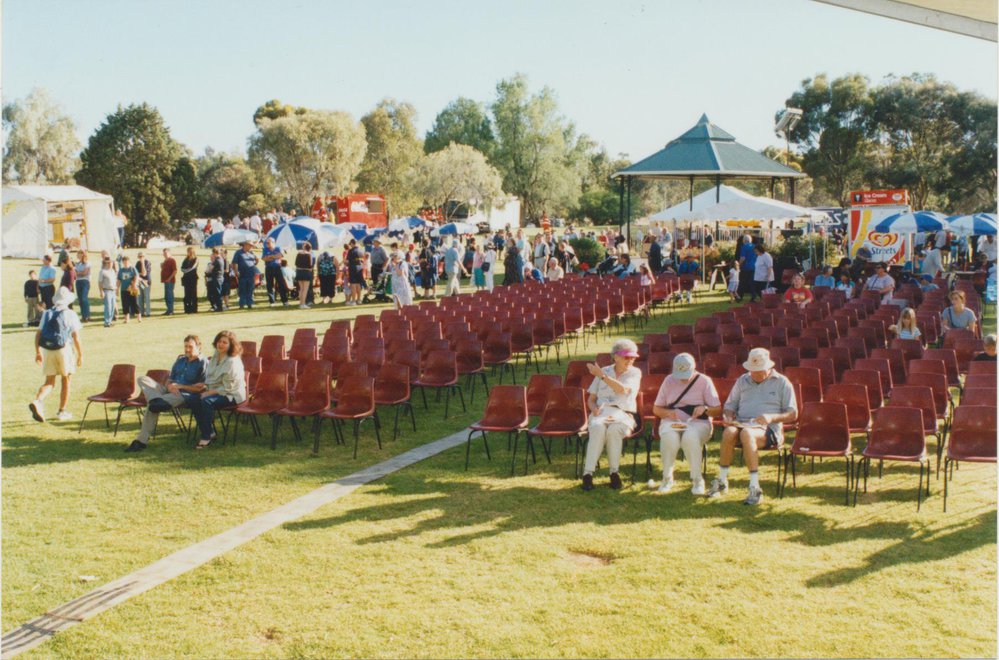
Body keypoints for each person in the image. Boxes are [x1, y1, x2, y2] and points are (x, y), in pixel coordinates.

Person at [708, 348, 798, 505]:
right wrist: (728, 416)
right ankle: (722, 480)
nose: (754, 373)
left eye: (758, 370)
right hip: (742, 424)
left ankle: (754, 487)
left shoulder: (782, 382)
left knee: (747, 434)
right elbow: (730, 405)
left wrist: (772, 417)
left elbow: (793, 414)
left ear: (768, 367)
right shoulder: (742, 380)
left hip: (769, 430)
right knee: (729, 431)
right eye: (752, 370)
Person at [124, 335, 208, 452]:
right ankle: (156, 399)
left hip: (183, 394)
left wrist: (180, 386)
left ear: (199, 347)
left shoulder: (203, 363)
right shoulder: (180, 361)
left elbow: (201, 388)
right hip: (168, 390)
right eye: (185, 346)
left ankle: (141, 441)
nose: (187, 349)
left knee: (152, 407)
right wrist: (169, 386)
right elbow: (170, 379)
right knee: (142, 379)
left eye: (190, 347)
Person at [653, 353, 722, 495]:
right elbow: (656, 409)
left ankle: (697, 480)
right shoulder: (668, 380)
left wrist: (705, 408)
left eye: (686, 374)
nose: (683, 379)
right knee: (669, 438)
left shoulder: (704, 381)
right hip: (673, 422)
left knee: (690, 437)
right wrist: (667, 413)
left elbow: (717, 410)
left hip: (698, 423)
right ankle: (667, 478)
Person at [580, 339, 642, 491]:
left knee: (614, 430)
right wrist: (593, 408)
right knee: (597, 427)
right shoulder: (605, 371)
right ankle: (588, 474)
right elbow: (591, 399)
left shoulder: (634, 372)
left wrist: (602, 376)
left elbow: (623, 390)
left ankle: (614, 472)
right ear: (616, 357)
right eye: (627, 357)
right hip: (602, 411)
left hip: (623, 413)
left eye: (633, 357)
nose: (631, 360)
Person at [29, 287, 83, 423]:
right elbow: (76, 337)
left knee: (49, 382)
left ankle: (38, 400)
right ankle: (62, 411)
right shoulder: (70, 314)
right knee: (66, 380)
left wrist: (37, 352)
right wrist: (80, 354)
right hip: (64, 349)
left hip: (48, 349)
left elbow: (38, 334)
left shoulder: (47, 313)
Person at [190, 330, 246, 449]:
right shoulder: (215, 356)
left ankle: (205, 437)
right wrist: (204, 385)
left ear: (231, 345)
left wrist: (209, 392)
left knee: (206, 401)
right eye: (219, 341)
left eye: (225, 342)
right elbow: (212, 378)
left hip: (232, 395)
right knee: (192, 399)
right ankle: (210, 431)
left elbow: (229, 387)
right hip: (216, 391)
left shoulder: (232, 361)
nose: (220, 344)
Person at [261, 237, 288, 306]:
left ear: (273, 243)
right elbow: (264, 258)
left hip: (277, 268)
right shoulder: (265, 249)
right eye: (266, 243)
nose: (267, 244)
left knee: (281, 284)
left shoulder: (278, 248)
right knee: (270, 285)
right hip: (268, 268)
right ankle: (272, 301)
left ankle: (284, 301)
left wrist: (270, 256)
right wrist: (274, 256)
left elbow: (281, 255)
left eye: (268, 243)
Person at [232, 241, 259, 309]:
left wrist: (257, 260)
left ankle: (250, 304)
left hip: (251, 274)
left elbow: (255, 261)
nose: (251, 247)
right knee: (242, 289)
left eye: (252, 246)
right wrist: (236, 271)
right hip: (242, 274)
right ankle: (242, 304)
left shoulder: (251, 253)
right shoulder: (238, 252)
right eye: (250, 246)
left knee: (250, 289)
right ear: (245, 245)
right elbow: (235, 262)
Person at [117, 256, 142, 323]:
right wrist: (117, 289)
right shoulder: (121, 270)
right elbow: (119, 280)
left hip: (132, 289)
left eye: (126, 262)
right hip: (124, 289)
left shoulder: (132, 268)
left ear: (129, 261)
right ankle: (126, 319)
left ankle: (139, 317)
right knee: (125, 304)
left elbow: (136, 276)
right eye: (124, 262)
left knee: (135, 303)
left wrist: (133, 284)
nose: (125, 263)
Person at [295, 242, 315, 309]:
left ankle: (301, 303)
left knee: (301, 289)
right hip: (306, 272)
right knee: (305, 289)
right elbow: (310, 265)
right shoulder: (309, 255)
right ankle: (303, 304)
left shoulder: (299, 254)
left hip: (299, 272)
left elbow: (296, 263)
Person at [98, 256, 117, 327]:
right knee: (108, 306)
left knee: (112, 306)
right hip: (107, 290)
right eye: (108, 263)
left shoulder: (113, 271)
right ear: (106, 263)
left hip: (113, 290)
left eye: (111, 263)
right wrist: (101, 291)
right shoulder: (102, 271)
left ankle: (110, 320)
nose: (110, 264)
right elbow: (100, 282)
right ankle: (107, 321)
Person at [737, 234, 756, 302]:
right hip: (754, 267)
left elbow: (742, 258)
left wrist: (738, 265)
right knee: (751, 282)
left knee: (742, 283)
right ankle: (753, 296)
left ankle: (739, 297)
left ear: (744, 240)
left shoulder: (744, 247)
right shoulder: (754, 246)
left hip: (745, 267)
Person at [73, 252, 92, 322]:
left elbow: (85, 273)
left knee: (84, 298)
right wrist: (79, 273)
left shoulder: (88, 263)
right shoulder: (77, 264)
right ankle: (83, 316)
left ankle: (87, 315)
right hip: (78, 281)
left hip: (85, 281)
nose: (77, 255)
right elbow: (74, 273)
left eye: (79, 254)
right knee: (80, 299)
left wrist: (77, 273)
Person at [346, 239, 365, 305]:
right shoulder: (361, 250)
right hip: (359, 268)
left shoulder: (351, 251)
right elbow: (363, 259)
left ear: (352, 243)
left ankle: (353, 301)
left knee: (353, 285)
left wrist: (346, 263)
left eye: (350, 244)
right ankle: (359, 299)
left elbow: (347, 261)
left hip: (353, 268)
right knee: (358, 284)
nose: (350, 245)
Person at [206, 247, 226, 312]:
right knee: (218, 292)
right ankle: (219, 306)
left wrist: (207, 272)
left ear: (214, 253)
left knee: (217, 293)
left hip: (217, 278)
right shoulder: (221, 259)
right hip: (220, 277)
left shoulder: (217, 260)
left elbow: (211, 269)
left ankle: (219, 307)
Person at [181, 246, 199, 314]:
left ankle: (194, 309)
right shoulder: (186, 259)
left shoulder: (196, 259)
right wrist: (186, 270)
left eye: (190, 252)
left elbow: (193, 267)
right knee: (187, 294)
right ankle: (187, 309)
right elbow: (182, 268)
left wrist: (186, 270)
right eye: (188, 252)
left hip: (193, 278)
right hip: (186, 278)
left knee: (193, 294)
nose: (189, 253)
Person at [136, 251, 153, 317]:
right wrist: (140, 273)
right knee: (140, 297)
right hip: (140, 282)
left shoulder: (147, 262)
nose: (141, 257)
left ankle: (148, 312)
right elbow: (136, 273)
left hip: (146, 282)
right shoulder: (137, 263)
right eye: (140, 256)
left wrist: (142, 263)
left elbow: (144, 273)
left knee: (146, 297)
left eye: (142, 256)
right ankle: (141, 312)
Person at [161, 248, 177, 315]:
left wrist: (169, 278)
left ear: (169, 253)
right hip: (165, 280)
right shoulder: (165, 261)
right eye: (164, 253)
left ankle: (171, 310)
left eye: (166, 253)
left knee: (169, 295)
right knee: (166, 296)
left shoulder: (172, 260)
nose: (165, 254)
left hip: (170, 281)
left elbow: (175, 271)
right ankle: (168, 309)